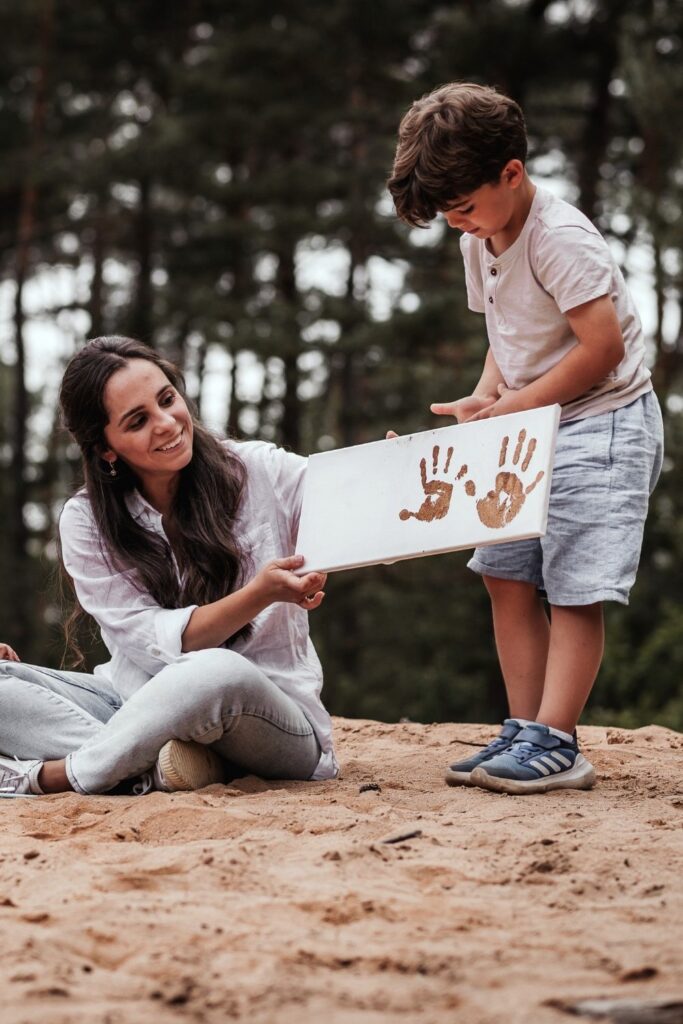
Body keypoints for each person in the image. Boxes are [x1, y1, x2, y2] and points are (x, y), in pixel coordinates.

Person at [388, 82, 663, 794]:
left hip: (601, 422)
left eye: (465, 208)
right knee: (505, 574)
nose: (458, 226)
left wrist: (516, 406)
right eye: (448, 216)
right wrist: (488, 395)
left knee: (573, 586)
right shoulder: (481, 235)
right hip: (530, 422)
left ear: (511, 173)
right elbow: (504, 336)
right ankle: (523, 728)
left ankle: (559, 739)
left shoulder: (560, 236)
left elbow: (599, 348)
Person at [0, 337, 338, 796]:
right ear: (106, 448)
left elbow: (350, 494)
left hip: (270, 721)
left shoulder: (259, 469)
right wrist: (258, 593)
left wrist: (389, 468)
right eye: (138, 421)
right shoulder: (85, 519)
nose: (166, 424)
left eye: (167, 399)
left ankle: (57, 774)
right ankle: (164, 766)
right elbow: (153, 648)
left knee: (214, 671)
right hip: (129, 703)